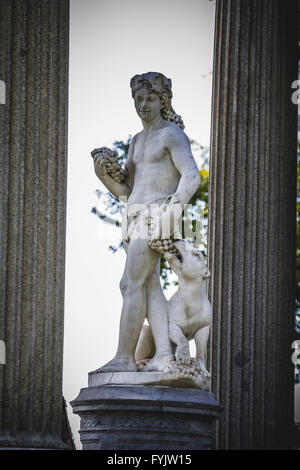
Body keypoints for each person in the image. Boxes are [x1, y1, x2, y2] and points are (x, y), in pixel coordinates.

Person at [92, 72, 200, 372]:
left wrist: (173, 209)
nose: (143, 104)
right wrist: (103, 175)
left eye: (150, 98)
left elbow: (192, 175)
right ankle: (164, 353)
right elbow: (127, 192)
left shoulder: (171, 135)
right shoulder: (137, 141)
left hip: (156, 215)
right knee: (150, 286)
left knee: (130, 284)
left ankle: (124, 358)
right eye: (139, 99)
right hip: (133, 217)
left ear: (163, 100)